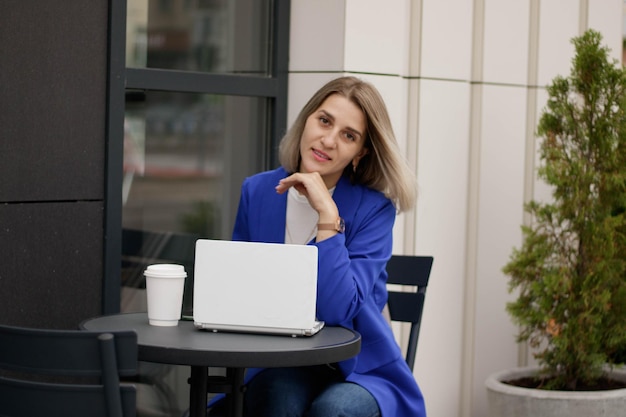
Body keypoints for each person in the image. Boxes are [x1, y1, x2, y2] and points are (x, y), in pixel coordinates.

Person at [229, 76, 425, 417]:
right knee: (277, 398)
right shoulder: (257, 192)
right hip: (280, 362)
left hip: (360, 368)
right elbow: (238, 292)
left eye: (348, 135)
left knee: (334, 410)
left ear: (360, 153)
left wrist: (327, 214)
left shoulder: (374, 210)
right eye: (324, 121)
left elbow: (338, 309)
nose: (329, 140)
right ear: (306, 120)